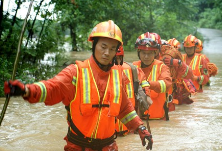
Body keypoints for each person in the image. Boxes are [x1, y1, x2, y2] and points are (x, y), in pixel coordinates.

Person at [4, 20, 153, 151]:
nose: (107, 52)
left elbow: (124, 109)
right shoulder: (76, 72)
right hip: (78, 146)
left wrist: (140, 128)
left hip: (108, 146)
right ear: (94, 45)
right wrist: (27, 90)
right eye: (103, 46)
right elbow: (53, 88)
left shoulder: (117, 75)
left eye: (113, 49)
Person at [133, 32, 172, 120]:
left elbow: (167, 84)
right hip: (138, 121)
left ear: (155, 53)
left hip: (158, 120)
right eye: (143, 53)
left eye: (150, 53)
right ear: (138, 53)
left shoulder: (162, 67)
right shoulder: (133, 67)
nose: (146, 56)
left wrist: (148, 84)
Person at [114, 45, 152, 136]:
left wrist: (147, 95)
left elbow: (143, 81)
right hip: (109, 133)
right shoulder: (99, 76)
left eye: (117, 58)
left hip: (129, 128)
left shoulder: (132, 69)